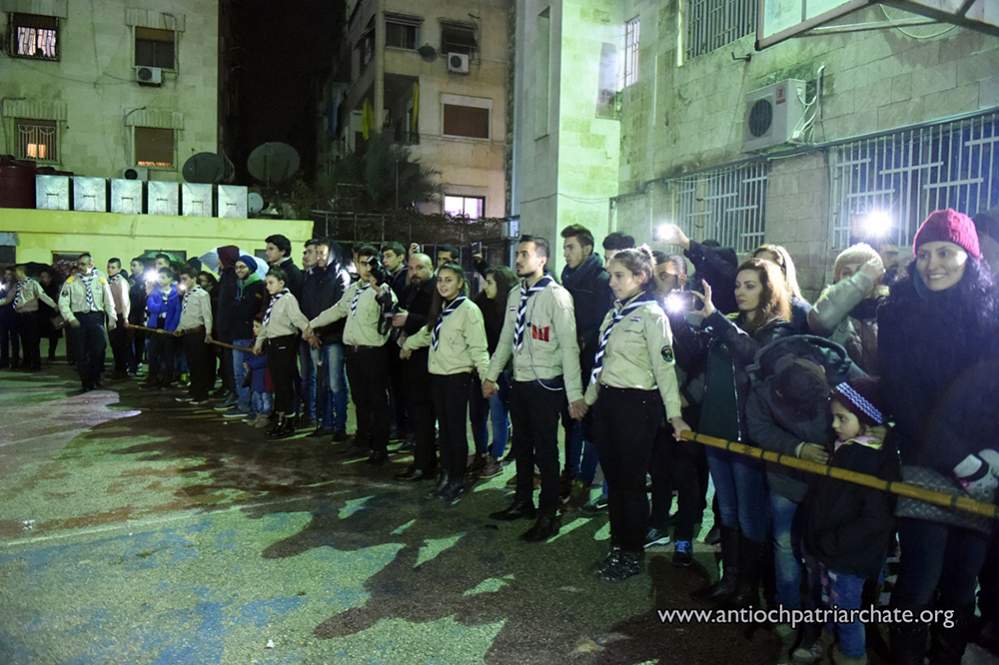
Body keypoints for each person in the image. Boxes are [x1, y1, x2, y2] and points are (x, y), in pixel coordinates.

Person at [878, 209, 999, 665]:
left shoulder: (992, 315)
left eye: (945, 252)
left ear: (970, 256)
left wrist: (992, 457)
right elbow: (903, 399)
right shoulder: (898, 314)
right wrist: (963, 461)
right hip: (926, 461)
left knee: (961, 584)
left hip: (985, 469)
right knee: (918, 582)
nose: (933, 264)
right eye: (925, 254)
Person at [745, 336, 865, 660]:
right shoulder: (764, 386)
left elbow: (871, 417)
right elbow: (758, 428)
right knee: (786, 551)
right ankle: (789, 612)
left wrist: (843, 450)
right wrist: (797, 449)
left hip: (830, 486)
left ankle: (820, 624)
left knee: (820, 558)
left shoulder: (843, 375)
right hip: (785, 481)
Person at [685, 258, 795, 607]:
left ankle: (749, 588)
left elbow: (757, 357)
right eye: (737, 285)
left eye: (750, 285)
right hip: (716, 430)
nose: (741, 292)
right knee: (727, 512)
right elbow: (708, 371)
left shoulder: (778, 329)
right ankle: (729, 580)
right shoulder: (728, 323)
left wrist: (716, 320)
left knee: (750, 515)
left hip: (748, 436)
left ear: (768, 290)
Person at [584, 247, 690, 580]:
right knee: (615, 482)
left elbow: (665, 369)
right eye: (611, 275)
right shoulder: (614, 314)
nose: (612, 282)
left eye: (619, 276)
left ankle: (632, 554)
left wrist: (674, 415)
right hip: (608, 403)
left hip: (637, 406)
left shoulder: (652, 315)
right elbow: (601, 365)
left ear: (641, 277)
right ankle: (617, 546)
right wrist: (587, 400)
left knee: (630, 484)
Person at [482, 235, 584, 542]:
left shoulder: (556, 296)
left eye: (525, 254)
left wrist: (575, 395)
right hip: (521, 381)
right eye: (518, 254)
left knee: (546, 451)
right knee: (523, 446)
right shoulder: (516, 294)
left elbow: (569, 348)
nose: (518, 260)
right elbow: (505, 339)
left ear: (542, 259)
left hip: (547, 385)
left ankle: (549, 512)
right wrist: (491, 375)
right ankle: (523, 501)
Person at [801, 378, 896, 665]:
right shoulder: (846, 449)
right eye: (833, 417)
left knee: (846, 610)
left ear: (866, 420)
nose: (834, 425)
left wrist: (833, 541)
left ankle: (852, 655)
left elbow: (875, 518)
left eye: (842, 418)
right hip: (834, 550)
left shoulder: (869, 459)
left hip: (848, 555)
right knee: (834, 602)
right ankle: (833, 642)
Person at [402, 262, 490, 503]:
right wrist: (408, 344)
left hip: (457, 378)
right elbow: (428, 333)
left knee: (455, 431)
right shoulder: (442, 308)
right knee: (445, 432)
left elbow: (479, 347)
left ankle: (457, 480)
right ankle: (446, 474)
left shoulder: (468, 310)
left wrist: (487, 377)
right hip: (438, 377)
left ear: (460, 283)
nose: (442, 284)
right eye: (440, 280)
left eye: (449, 280)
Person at [306, 244, 398, 465]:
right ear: (356, 264)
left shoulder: (382, 289)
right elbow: (338, 309)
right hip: (354, 353)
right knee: (360, 400)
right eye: (362, 263)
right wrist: (312, 324)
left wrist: (380, 291)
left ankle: (379, 447)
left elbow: (390, 310)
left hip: (373, 353)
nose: (366, 268)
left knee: (377, 401)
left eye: (371, 264)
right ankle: (362, 440)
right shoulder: (355, 288)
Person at [559, 224, 614, 502]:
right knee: (570, 420)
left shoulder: (602, 280)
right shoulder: (566, 278)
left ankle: (585, 479)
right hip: (569, 361)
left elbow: (605, 324)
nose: (566, 253)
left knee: (590, 423)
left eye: (571, 247)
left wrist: (584, 339)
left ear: (587, 248)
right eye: (564, 248)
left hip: (591, 362)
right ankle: (569, 473)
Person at [807, 244, 886, 373]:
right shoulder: (830, 311)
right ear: (837, 278)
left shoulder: (887, 309)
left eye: (861, 271)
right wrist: (862, 280)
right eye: (847, 273)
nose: (854, 277)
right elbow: (820, 320)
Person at [469, 265, 517, 479]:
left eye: (490, 283)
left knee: (498, 416)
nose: (485, 287)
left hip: (501, 370)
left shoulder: (511, 309)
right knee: (477, 414)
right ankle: (482, 453)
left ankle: (495, 457)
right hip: (481, 367)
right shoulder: (482, 303)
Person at [392, 253, 437, 481]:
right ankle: (421, 461)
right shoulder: (412, 289)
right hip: (409, 358)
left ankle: (424, 465)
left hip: (425, 360)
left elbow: (434, 323)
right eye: (410, 268)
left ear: (431, 268)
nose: (414, 272)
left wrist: (408, 320)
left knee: (423, 415)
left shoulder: (434, 291)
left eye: (420, 268)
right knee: (416, 415)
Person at [301, 239, 351, 440]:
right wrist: (311, 332)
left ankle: (340, 426)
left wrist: (318, 332)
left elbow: (339, 310)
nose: (319, 257)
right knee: (323, 383)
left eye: (323, 253)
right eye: (317, 253)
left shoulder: (341, 275)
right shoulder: (311, 276)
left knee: (335, 383)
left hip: (333, 338)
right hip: (314, 337)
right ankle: (326, 423)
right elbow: (306, 306)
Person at [253, 268, 310, 438]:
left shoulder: (287, 299)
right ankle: (280, 419)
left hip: (284, 343)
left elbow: (297, 318)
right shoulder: (274, 300)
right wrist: (259, 341)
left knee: (285, 384)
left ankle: (289, 421)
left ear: (281, 283)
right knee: (278, 384)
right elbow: (266, 324)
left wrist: (310, 332)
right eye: (266, 283)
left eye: (271, 283)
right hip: (273, 344)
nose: (268, 286)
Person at [58, 253, 117, 392]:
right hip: (79, 319)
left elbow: (109, 301)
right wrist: (70, 318)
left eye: (83, 264)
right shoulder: (71, 281)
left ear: (91, 264)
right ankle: (86, 382)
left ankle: (95, 378)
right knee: (81, 353)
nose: (80, 267)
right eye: (79, 264)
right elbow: (63, 302)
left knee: (98, 350)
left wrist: (112, 318)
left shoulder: (100, 279)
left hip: (96, 318)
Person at [224, 255, 267, 421]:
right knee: (238, 372)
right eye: (237, 267)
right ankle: (243, 403)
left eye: (242, 267)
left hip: (250, 335)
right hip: (237, 334)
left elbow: (253, 310)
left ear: (251, 268)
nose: (239, 270)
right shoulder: (236, 286)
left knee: (249, 373)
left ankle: (252, 407)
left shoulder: (258, 286)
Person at [0, 264, 58, 371]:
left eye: (16, 272)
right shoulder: (17, 285)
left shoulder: (33, 283)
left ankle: (36, 364)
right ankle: (26, 362)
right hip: (20, 316)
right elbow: (8, 299)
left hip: (31, 316)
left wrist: (54, 305)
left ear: (22, 272)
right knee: (24, 340)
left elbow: (42, 295)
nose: (14, 274)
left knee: (33, 341)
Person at [173, 268, 214, 404]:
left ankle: (202, 395)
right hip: (187, 333)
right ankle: (193, 391)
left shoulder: (202, 294)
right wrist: (179, 328)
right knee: (191, 364)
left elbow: (207, 315)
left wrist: (208, 333)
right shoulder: (187, 294)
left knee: (199, 365)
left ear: (194, 278)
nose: (183, 282)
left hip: (198, 333)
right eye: (181, 279)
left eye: (185, 279)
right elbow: (184, 314)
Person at [143, 267, 182, 389]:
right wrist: (164, 306)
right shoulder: (154, 292)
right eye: (159, 277)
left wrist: (171, 329)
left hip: (169, 328)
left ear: (170, 279)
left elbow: (177, 312)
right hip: (155, 327)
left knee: (168, 355)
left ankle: (167, 380)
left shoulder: (175, 293)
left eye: (163, 277)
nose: (160, 280)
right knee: (153, 355)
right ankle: (152, 378)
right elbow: (151, 307)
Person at [213, 246, 241, 406]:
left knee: (231, 362)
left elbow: (229, 304)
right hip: (223, 325)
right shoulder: (225, 276)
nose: (218, 261)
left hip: (229, 327)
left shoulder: (232, 277)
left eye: (220, 257)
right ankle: (228, 388)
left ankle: (234, 392)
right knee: (225, 361)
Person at [105, 258, 131, 379]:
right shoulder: (108, 280)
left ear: (119, 269)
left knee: (120, 344)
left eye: (113, 267)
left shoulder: (121, 282)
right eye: (109, 267)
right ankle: (118, 368)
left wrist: (125, 317)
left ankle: (122, 370)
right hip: (111, 314)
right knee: (114, 344)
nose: (110, 269)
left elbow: (125, 301)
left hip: (120, 316)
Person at [127, 258, 148, 374]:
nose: (132, 268)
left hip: (141, 313)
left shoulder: (146, 280)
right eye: (131, 265)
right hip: (130, 313)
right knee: (129, 339)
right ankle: (131, 364)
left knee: (140, 339)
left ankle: (138, 362)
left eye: (134, 265)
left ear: (142, 267)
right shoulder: (129, 279)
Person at [38, 268, 63, 362]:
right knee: (37, 335)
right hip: (41, 314)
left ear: (50, 277)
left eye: (45, 277)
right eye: (42, 277)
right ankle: (37, 355)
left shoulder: (56, 287)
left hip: (53, 314)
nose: (44, 279)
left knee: (54, 336)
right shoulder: (38, 286)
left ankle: (51, 354)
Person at [1, 266, 22, 369]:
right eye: (6, 274)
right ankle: (4, 360)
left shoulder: (17, 286)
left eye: (9, 274)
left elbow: (10, 300)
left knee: (14, 338)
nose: (7, 276)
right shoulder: (2, 285)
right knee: (3, 339)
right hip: (2, 316)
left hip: (13, 315)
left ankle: (15, 361)